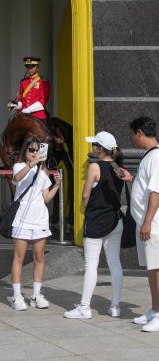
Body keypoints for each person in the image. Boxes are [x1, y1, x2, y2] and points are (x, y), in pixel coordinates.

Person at [64, 131, 124, 319]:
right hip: (115, 220)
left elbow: (85, 195)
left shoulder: (95, 167)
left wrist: (87, 210)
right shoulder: (118, 168)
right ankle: (115, 305)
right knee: (115, 263)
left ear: (99, 149)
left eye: (94, 145)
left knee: (91, 265)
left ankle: (84, 307)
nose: (92, 148)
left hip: (97, 221)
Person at [117, 117, 159, 332]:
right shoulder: (149, 156)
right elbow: (146, 186)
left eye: (134, 134)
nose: (134, 138)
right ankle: (154, 310)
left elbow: (156, 192)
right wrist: (132, 179)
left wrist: (148, 222)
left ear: (140, 132)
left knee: (157, 269)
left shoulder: (157, 157)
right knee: (152, 269)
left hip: (153, 224)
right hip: (147, 223)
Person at [10, 136, 62, 310]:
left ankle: (36, 294)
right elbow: (17, 178)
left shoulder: (43, 172)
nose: (33, 153)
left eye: (36, 150)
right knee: (19, 257)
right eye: (30, 150)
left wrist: (56, 186)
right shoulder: (20, 166)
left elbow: (46, 198)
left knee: (39, 257)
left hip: (40, 219)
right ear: (25, 151)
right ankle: (17, 296)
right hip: (22, 220)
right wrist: (31, 164)